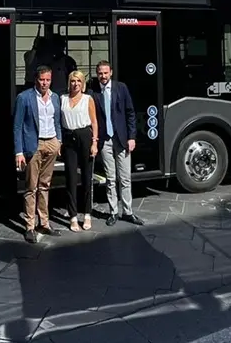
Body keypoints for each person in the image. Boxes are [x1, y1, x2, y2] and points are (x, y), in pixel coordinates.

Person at [13, 64, 63, 243]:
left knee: (45, 185)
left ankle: (45, 223)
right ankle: (29, 226)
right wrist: (19, 151)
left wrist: (59, 141)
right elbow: (17, 126)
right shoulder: (24, 98)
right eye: (42, 79)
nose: (45, 83)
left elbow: (57, 120)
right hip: (33, 145)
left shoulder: (55, 98)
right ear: (36, 80)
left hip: (51, 143)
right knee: (31, 187)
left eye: (48, 80)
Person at [91, 60, 143, 226]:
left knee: (125, 178)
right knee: (111, 178)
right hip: (105, 140)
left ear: (111, 72)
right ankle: (113, 211)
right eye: (100, 73)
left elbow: (130, 113)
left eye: (106, 73)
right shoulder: (93, 92)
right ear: (97, 74)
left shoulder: (121, 88)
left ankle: (128, 212)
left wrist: (132, 137)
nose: (103, 76)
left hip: (122, 139)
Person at [60, 70, 98, 231]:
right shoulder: (62, 99)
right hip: (69, 137)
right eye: (73, 81)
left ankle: (87, 214)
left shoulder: (88, 99)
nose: (75, 84)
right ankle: (73, 216)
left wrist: (94, 142)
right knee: (70, 177)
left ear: (83, 84)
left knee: (87, 177)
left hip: (84, 135)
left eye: (78, 81)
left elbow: (95, 122)